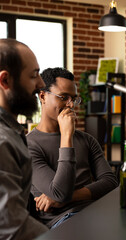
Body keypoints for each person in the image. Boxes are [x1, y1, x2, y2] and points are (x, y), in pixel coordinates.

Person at [26, 67, 118, 229]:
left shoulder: (87, 140)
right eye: (63, 97)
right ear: (43, 96)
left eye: (74, 99)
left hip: (97, 212)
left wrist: (69, 198)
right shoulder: (28, 145)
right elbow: (60, 192)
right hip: (63, 220)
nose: (70, 105)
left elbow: (110, 182)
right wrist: (67, 136)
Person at [0, 38, 48, 239]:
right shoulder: (3, 141)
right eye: (33, 75)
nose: (41, 84)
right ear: (5, 81)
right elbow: (12, 225)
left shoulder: (13, 132)